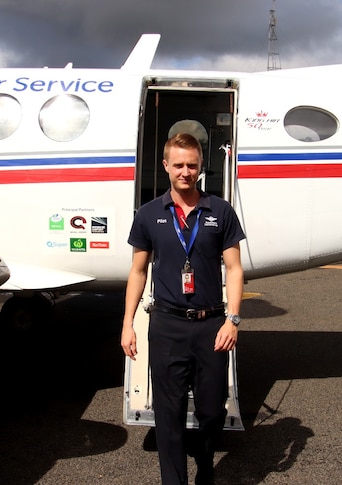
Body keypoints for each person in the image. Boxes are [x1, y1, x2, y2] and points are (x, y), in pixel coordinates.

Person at [121, 132, 246, 485]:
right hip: (167, 326)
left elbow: (235, 269)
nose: (185, 172)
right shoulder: (148, 215)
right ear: (166, 166)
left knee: (210, 412)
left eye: (192, 165)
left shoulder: (219, 211)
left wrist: (233, 319)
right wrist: (127, 324)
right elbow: (137, 271)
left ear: (201, 166)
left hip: (211, 327)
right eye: (178, 165)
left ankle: (205, 469)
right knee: (169, 413)